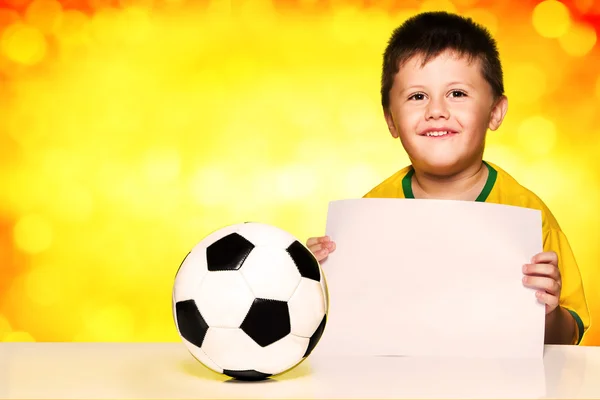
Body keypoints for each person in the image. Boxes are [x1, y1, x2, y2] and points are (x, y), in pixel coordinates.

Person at [305, 11, 590, 345]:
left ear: (495, 112)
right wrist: (314, 279)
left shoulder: (531, 218)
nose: (436, 110)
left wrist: (547, 314)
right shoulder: (369, 215)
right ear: (391, 120)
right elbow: (345, 325)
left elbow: (569, 337)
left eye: (457, 93)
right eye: (417, 96)